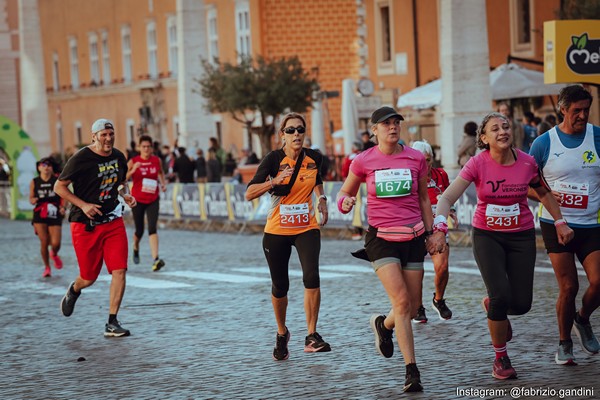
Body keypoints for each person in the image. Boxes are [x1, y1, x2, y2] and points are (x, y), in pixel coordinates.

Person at [428, 112, 573, 380]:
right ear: (484, 138)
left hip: (521, 236)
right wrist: (439, 228)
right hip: (488, 236)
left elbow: (543, 192)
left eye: (506, 126)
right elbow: (447, 197)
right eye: (494, 129)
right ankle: (501, 358)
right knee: (499, 297)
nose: (503, 131)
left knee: (521, 304)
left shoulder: (527, 163)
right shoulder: (476, 163)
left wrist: (560, 221)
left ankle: (494, 307)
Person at [337, 106, 436, 392]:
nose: (392, 127)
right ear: (374, 131)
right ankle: (411, 371)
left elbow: (424, 200)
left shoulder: (416, 158)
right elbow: (346, 191)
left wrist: (431, 233)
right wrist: (345, 202)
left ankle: (384, 325)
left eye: (396, 123)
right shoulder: (363, 160)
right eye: (386, 124)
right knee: (402, 301)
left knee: (412, 305)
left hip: (414, 237)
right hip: (381, 239)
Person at [245, 112, 331, 362]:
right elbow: (249, 193)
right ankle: (282, 332)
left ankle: (312, 335)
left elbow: (316, 179)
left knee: (311, 276)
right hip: (277, 231)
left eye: (300, 130)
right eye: (291, 130)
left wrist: (322, 199)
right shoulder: (273, 159)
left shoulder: (315, 157)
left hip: (306, 227)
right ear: (282, 134)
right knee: (280, 286)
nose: (296, 134)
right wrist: (273, 182)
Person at [528, 85, 600, 365]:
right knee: (568, 287)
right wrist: (546, 195)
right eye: (576, 111)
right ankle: (564, 342)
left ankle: (581, 319)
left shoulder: (597, 137)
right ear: (562, 109)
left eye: (586, 110)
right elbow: (524, 185)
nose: (582, 115)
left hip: (591, 223)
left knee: (598, 281)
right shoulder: (543, 143)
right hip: (555, 223)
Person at [54, 118, 137, 337]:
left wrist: (126, 194)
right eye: (103, 135)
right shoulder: (81, 158)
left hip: (113, 220)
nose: (108, 138)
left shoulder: (118, 157)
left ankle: (112, 322)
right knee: (89, 277)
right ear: (94, 136)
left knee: (119, 269)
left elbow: (120, 182)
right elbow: (59, 187)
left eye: (111, 134)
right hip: (85, 224)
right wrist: (83, 205)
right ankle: (74, 289)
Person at [411, 140, 457, 322]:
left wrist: (451, 211)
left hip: (437, 228)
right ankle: (417, 307)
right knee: (416, 271)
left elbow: (447, 197)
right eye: (421, 161)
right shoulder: (409, 178)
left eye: (428, 160)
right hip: (415, 227)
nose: (425, 165)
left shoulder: (441, 175)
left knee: (442, 267)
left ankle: (438, 300)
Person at [127, 135, 167, 272]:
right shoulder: (133, 161)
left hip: (153, 199)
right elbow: (122, 178)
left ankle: (156, 259)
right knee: (140, 230)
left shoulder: (156, 160)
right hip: (137, 200)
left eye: (148, 147)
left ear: (152, 148)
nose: (146, 149)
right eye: (143, 147)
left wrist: (163, 184)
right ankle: (135, 247)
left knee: (152, 228)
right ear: (139, 147)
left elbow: (161, 173)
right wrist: (132, 170)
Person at [29, 157, 65, 277]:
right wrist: (33, 200)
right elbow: (31, 197)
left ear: (52, 168)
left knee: (56, 243)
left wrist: (63, 207)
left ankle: (54, 253)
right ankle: (47, 267)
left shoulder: (57, 180)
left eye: (49, 165)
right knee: (44, 241)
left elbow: (64, 195)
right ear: (39, 167)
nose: (46, 167)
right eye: (43, 165)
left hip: (54, 212)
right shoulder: (35, 181)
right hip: (40, 212)